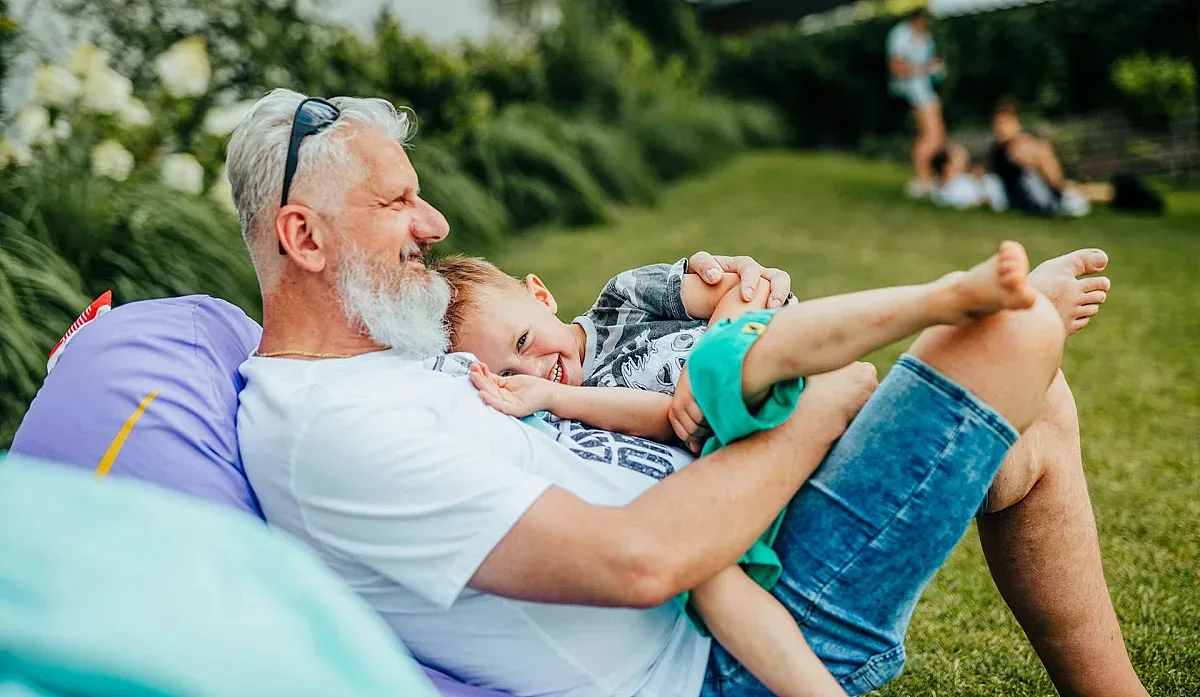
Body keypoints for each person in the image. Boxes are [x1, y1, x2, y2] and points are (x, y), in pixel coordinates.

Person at [230, 89, 1148, 697]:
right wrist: (825, 403)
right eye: (396, 204)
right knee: (1012, 335)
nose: (433, 222)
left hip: (729, 532)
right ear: (304, 239)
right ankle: (945, 301)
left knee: (1037, 413)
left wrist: (720, 299)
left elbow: (572, 388)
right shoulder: (329, 429)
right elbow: (640, 562)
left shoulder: (394, 359)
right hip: (718, 652)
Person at [435, 242, 1040, 697]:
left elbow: (739, 289)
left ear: (541, 296)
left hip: (762, 374)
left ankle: (943, 299)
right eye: (509, 373)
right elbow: (666, 424)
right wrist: (555, 399)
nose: (532, 368)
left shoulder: (622, 299)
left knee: (724, 361)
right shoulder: (568, 414)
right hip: (740, 463)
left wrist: (709, 357)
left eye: (523, 341)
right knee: (712, 580)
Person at [988, 99, 1109, 217]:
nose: (1000, 128)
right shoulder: (998, 152)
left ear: (1017, 124)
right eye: (997, 124)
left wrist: (1031, 166)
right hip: (1017, 202)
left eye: (1004, 123)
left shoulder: (1036, 147)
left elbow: (1055, 180)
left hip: (1046, 198)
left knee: (1030, 179)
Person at [887, 7, 945, 199]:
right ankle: (921, 181)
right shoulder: (900, 35)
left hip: (926, 89)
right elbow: (897, 68)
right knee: (931, 137)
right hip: (914, 91)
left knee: (935, 136)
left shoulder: (924, 35)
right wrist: (925, 68)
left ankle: (927, 179)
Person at [930, 142, 1007, 211]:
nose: (965, 159)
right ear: (947, 166)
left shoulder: (984, 180)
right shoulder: (940, 186)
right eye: (958, 157)